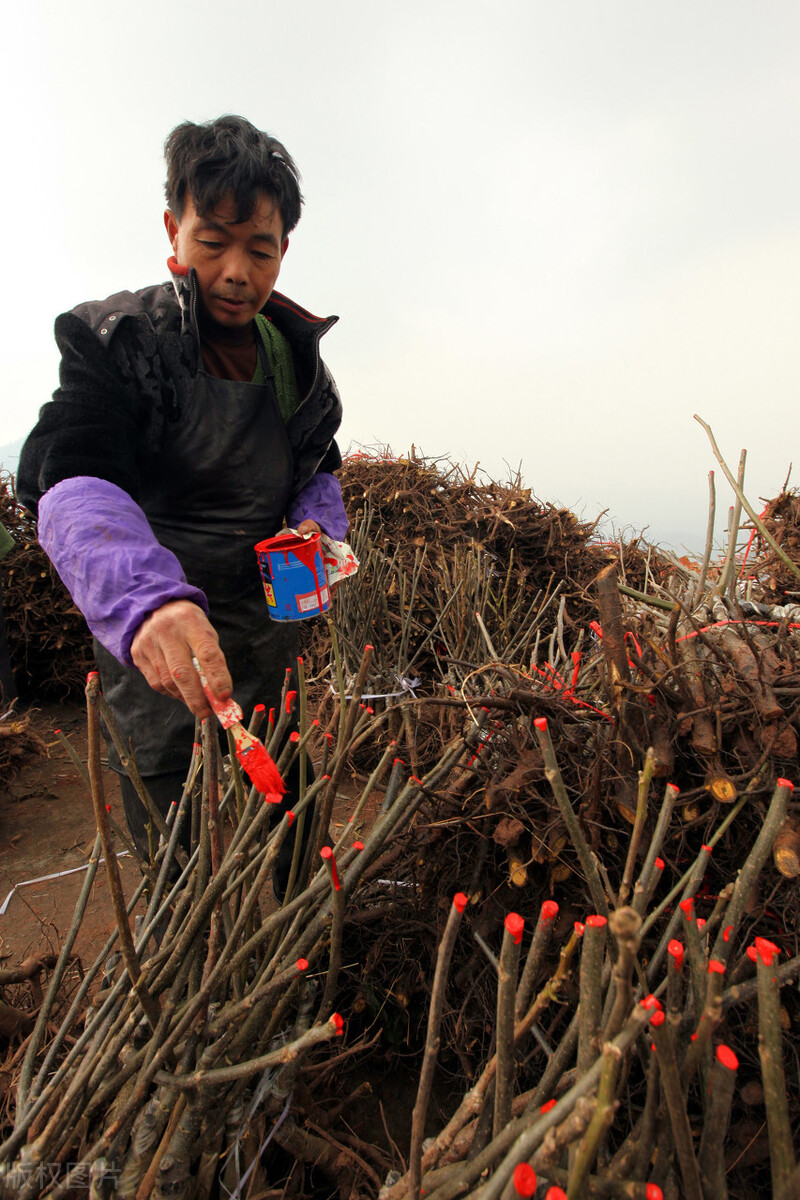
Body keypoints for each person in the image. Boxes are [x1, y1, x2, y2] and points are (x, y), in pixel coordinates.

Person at [18, 116, 347, 883]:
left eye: (259, 250)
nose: (236, 272)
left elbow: (317, 465)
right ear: (174, 230)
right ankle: (192, 948)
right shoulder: (126, 342)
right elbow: (69, 475)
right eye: (213, 241)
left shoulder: (297, 364)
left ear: (283, 250)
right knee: (179, 854)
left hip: (264, 635)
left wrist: (316, 528)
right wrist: (148, 602)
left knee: (293, 825)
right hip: (157, 638)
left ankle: (302, 934)